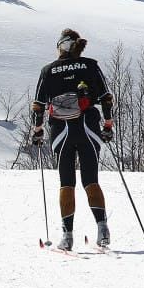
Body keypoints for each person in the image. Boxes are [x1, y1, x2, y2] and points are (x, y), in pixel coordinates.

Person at [31, 28, 115, 250]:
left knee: (66, 182)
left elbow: (38, 105)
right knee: (91, 180)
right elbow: (106, 98)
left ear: (61, 46)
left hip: (61, 130)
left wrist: (37, 130)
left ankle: (67, 236)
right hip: (89, 127)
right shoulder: (90, 65)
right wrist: (107, 125)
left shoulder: (48, 70)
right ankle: (103, 229)